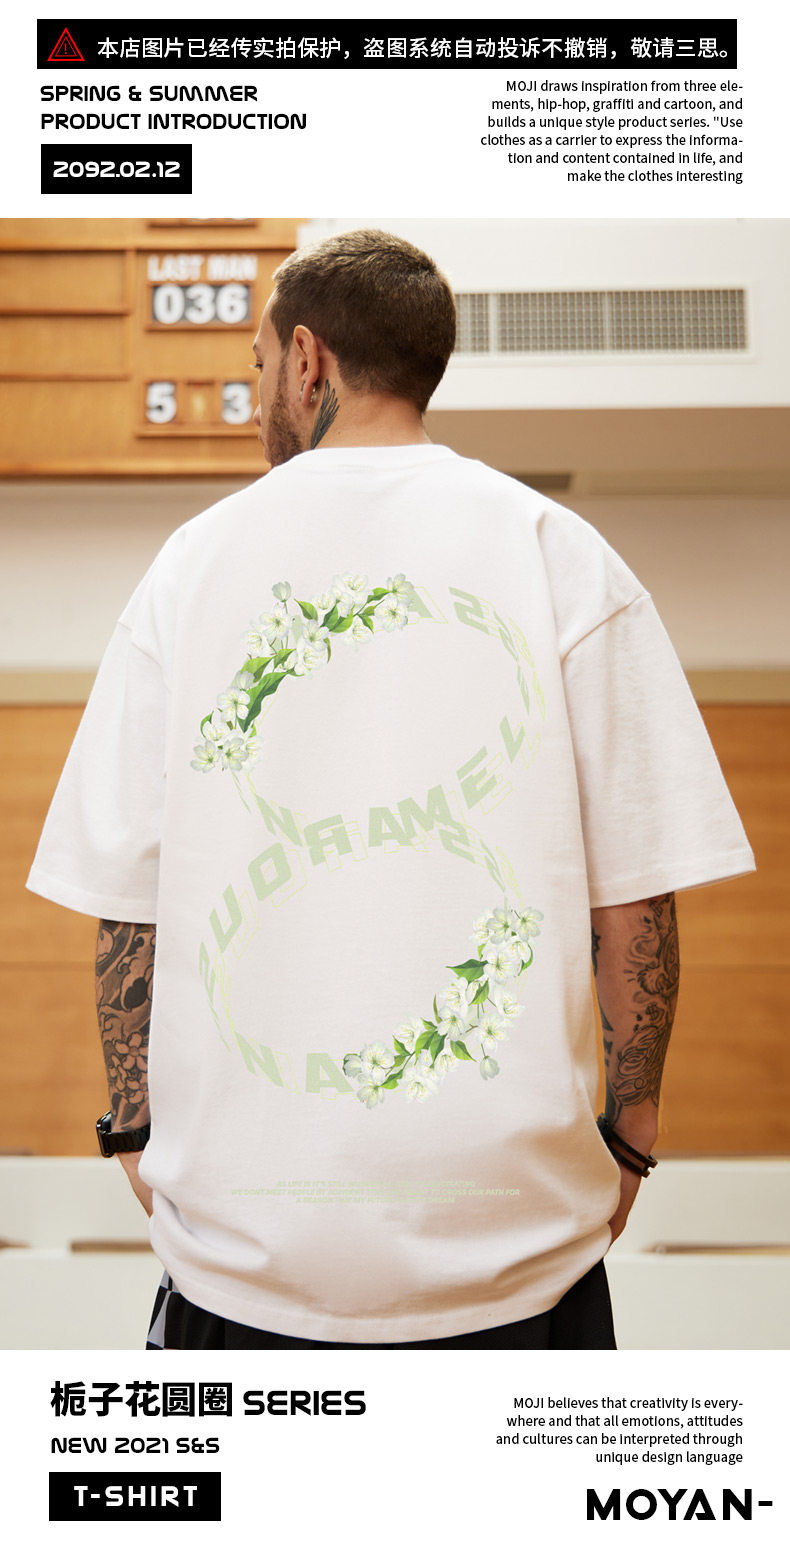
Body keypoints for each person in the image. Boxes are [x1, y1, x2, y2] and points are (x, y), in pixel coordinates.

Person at [27, 229, 755, 1351]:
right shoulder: (564, 553)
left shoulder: (190, 568)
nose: (257, 397)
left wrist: (130, 1122)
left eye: (258, 365)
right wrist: (632, 1132)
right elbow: (636, 902)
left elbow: (130, 896)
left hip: (244, 1262)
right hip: (522, 1263)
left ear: (306, 360)